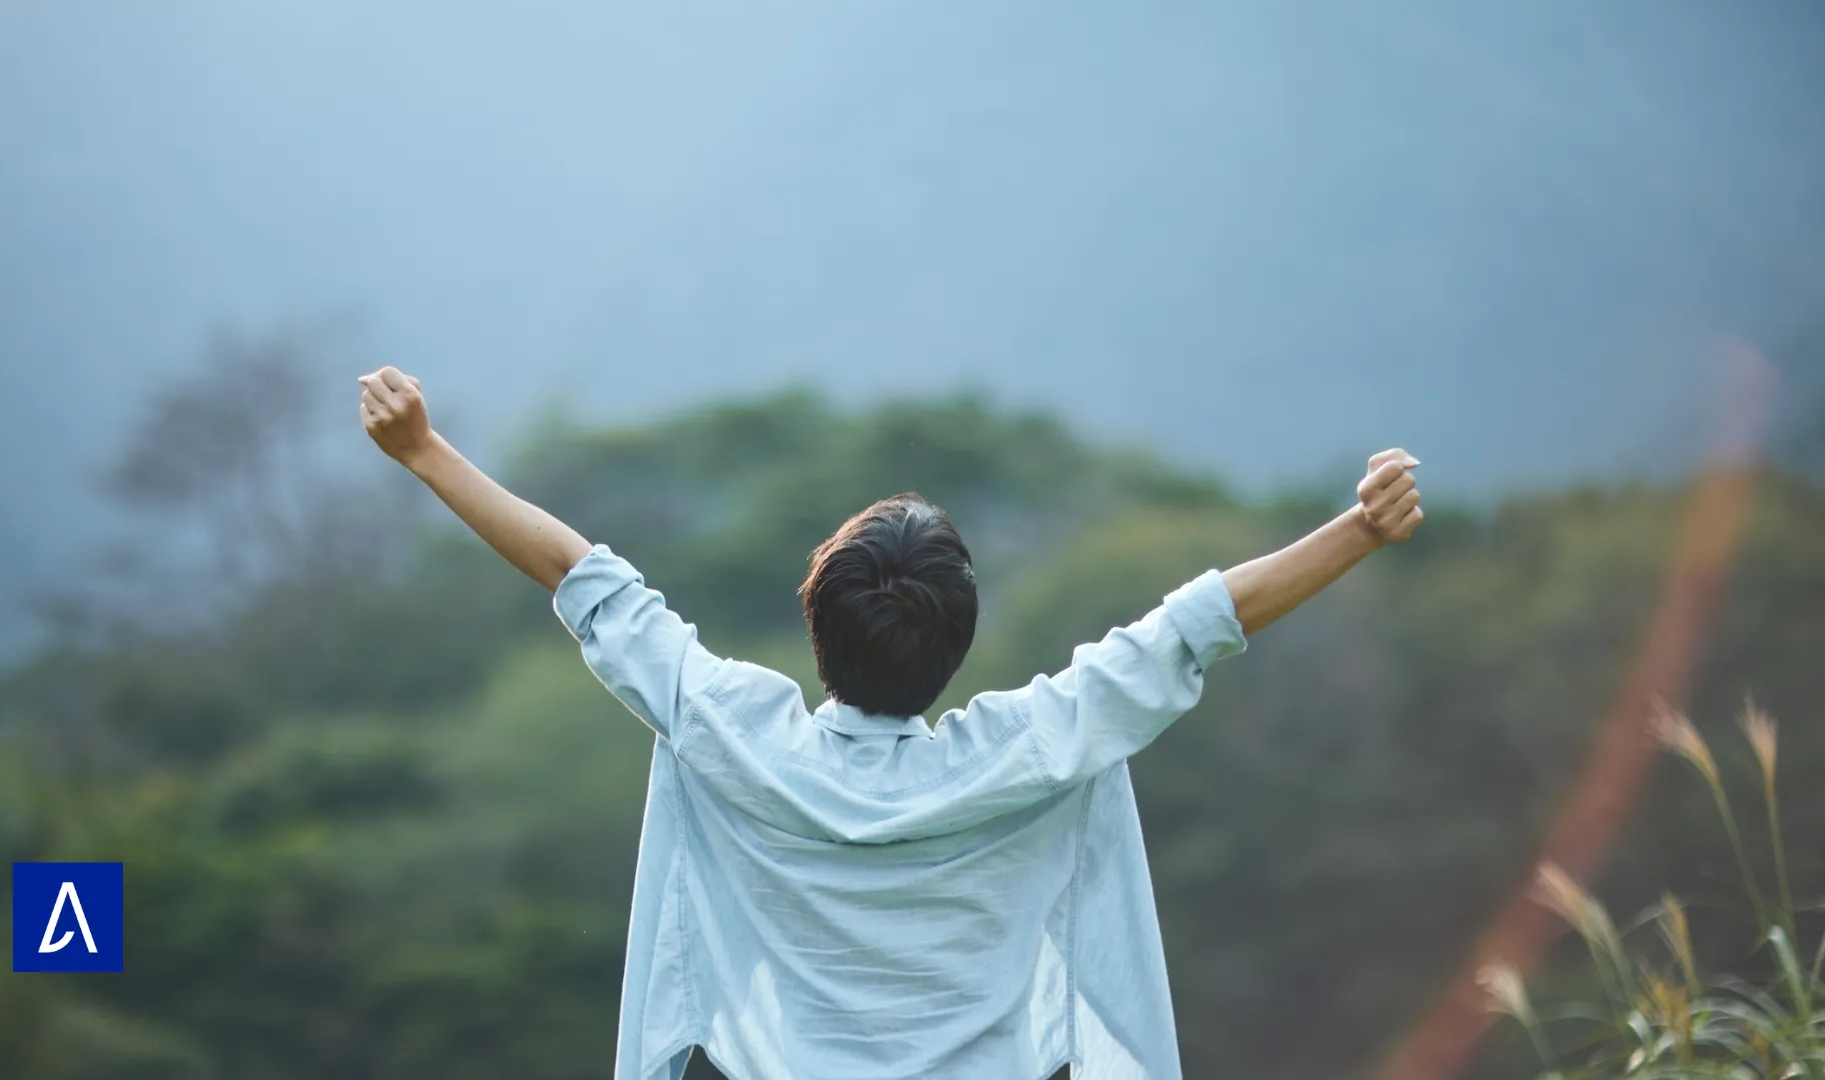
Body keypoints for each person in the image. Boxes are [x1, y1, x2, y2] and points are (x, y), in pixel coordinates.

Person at [359, 366, 1423, 1080]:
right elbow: (1193, 630)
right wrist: (1358, 532)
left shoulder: (735, 734)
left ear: (816, 616)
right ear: (957, 642)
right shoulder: (1029, 751)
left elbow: (579, 575)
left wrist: (424, 451)